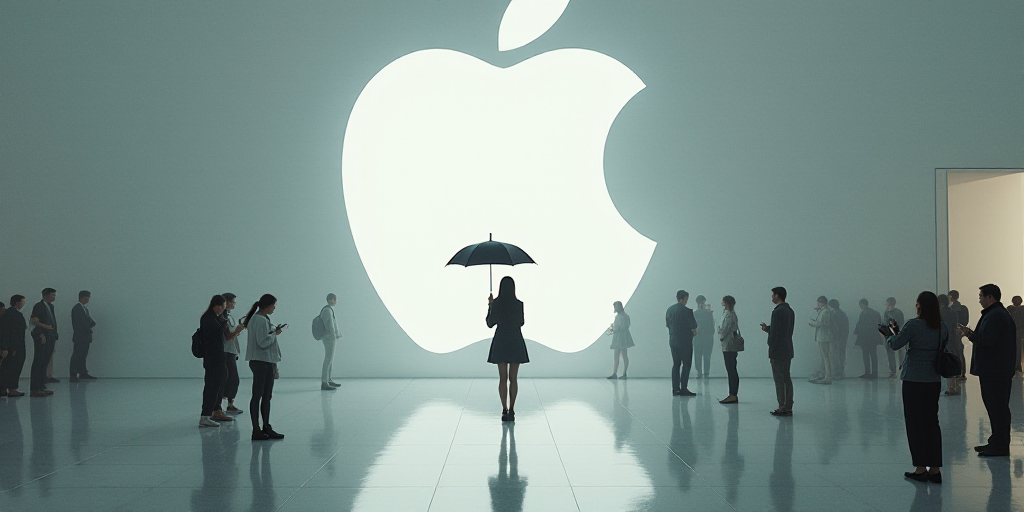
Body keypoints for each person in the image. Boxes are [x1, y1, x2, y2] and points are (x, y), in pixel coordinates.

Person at [883, 291, 946, 483]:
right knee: (931, 423)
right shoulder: (942, 327)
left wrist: (889, 334)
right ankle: (935, 469)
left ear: (920, 306)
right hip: (933, 380)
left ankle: (920, 468)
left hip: (914, 380)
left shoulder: (913, 325)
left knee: (915, 423)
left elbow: (895, 344)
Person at [958, 284, 1016, 457]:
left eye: (981, 296)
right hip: (995, 369)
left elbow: (988, 341)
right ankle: (996, 442)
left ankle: (1000, 446)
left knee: (997, 407)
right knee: (995, 407)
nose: (979, 299)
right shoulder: (995, 314)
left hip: (995, 370)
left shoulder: (996, 315)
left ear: (991, 297)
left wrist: (969, 333)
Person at [487, 276, 529, 422]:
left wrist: (491, 305)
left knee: (503, 378)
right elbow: (521, 322)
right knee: (513, 378)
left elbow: (490, 323)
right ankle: (512, 410)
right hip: (515, 340)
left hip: (501, 341)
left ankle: (504, 410)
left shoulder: (497, 304)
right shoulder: (519, 304)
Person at [244, 294, 285, 440]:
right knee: (259, 395)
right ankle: (257, 429)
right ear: (267, 305)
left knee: (266, 396)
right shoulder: (260, 320)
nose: (274, 308)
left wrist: (274, 366)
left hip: (265, 361)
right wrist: (275, 334)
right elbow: (263, 342)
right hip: (260, 361)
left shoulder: (260, 318)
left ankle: (265, 427)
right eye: (273, 305)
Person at [760, 287, 795, 416]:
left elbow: (775, 334)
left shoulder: (777, 312)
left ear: (777, 296)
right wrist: (768, 329)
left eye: (772, 295)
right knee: (786, 378)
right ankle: (788, 405)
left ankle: (782, 406)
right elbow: (783, 330)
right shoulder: (789, 311)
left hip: (778, 350)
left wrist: (771, 345)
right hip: (787, 348)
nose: (771, 297)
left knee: (779, 379)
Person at [198, 295, 228, 428]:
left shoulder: (213, 318)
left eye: (223, 307)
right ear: (215, 305)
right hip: (213, 358)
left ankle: (208, 414)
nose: (222, 309)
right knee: (212, 387)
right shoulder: (208, 318)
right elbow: (215, 334)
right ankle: (205, 415)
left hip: (216, 358)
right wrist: (223, 324)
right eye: (221, 306)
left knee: (216, 386)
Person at [666, 290, 699, 397]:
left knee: (676, 364)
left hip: (673, 340)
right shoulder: (687, 311)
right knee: (686, 364)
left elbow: (668, 325)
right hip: (685, 341)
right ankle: (683, 388)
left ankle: (675, 389)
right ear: (684, 298)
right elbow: (694, 325)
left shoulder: (669, 310)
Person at [219, 293, 245, 415]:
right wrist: (237, 331)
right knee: (230, 379)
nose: (234, 305)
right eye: (233, 302)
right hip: (226, 351)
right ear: (227, 302)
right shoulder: (222, 317)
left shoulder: (228, 317)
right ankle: (224, 406)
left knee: (231, 379)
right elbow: (229, 337)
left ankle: (228, 405)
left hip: (230, 351)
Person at [29, 288, 58, 397]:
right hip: (42, 337)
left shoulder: (50, 306)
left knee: (45, 362)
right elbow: (34, 322)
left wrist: (55, 334)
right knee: (39, 361)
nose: (54, 297)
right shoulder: (39, 306)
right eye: (52, 295)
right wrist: (41, 334)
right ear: (45, 295)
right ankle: (35, 388)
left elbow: (52, 321)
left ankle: (41, 386)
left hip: (50, 336)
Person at [0, 295, 28, 397]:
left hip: (16, 345)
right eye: (22, 302)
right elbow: (7, 332)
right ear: (17, 303)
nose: (24, 304)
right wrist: (7, 347)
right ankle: (11, 388)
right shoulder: (11, 314)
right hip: (14, 346)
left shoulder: (14, 313)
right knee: (13, 368)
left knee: (9, 367)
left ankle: (4, 388)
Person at [717, 295, 742, 404]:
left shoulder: (730, 315)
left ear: (726, 302)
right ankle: (732, 393)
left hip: (729, 345)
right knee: (731, 369)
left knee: (731, 369)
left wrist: (721, 336)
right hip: (728, 344)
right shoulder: (727, 313)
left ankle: (733, 394)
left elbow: (725, 329)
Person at [69, 290, 97, 381]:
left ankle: (82, 372)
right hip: (80, 336)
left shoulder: (84, 309)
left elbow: (90, 321)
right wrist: (89, 325)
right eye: (88, 297)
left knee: (83, 355)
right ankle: (73, 374)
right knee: (77, 355)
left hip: (85, 336)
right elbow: (80, 323)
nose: (88, 300)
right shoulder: (77, 309)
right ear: (83, 297)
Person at [938, 294, 961, 395]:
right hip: (953, 338)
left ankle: (950, 388)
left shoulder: (940, 313)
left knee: (946, 362)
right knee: (953, 360)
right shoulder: (953, 312)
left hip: (944, 340)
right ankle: (956, 386)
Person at [853, 299, 883, 378]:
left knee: (865, 355)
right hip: (873, 338)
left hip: (865, 338)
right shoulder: (876, 313)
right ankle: (874, 373)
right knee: (873, 355)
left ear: (862, 304)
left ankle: (867, 372)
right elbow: (879, 325)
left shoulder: (863, 313)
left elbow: (861, 326)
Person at [807, 296, 833, 385]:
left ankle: (828, 376)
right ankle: (825, 374)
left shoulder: (825, 311)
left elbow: (820, 323)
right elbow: (814, 318)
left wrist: (813, 325)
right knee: (824, 357)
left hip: (824, 337)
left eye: (819, 302)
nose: (817, 304)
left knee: (826, 357)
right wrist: (816, 311)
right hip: (822, 336)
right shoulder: (823, 311)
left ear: (822, 303)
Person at [318, 293, 342, 390]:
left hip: (329, 337)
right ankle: (325, 382)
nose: (336, 301)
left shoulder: (327, 309)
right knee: (328, 359)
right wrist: (334, 334)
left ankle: (328, 380)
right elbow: (330, 325)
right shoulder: (327, 310)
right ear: (331, 300)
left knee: (330, 359)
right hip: (329, 338)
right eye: (335, 299)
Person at [606, 301, 633, 380]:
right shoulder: (620, 316)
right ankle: (615, 373)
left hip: (622, 338)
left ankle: (624, 373)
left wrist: (613, 328)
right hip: (619, 338)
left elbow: (623, 327)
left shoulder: (624, 316)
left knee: (624, 356)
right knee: (617, 357)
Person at [693, 296, 715, 379]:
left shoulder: (707, 313)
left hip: (703, 338)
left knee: (706, 356)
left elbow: (712, 326)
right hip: (700, 338)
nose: (702, 304)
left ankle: (705, 373)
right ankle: (700, 372)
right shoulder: (697, 314)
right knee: (699, 356)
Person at [883, 298, 906, 379]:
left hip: (897, 335)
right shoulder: (886, 312)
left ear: (890, 303)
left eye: (886, 303)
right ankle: (893, 371)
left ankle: (902, 369)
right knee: (890, 354)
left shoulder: (898, 312)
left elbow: (900, 323)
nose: (885, 304)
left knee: (901, 353)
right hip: (889, 336)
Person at [949, 290, 969, 381]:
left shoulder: (953, 309)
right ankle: (962, 372)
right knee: (960, 352)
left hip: (955, 332)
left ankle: (959, 372)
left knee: (956, 352)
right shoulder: (963, 308)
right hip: (960, 332)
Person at [829, 299, 850, 379]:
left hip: (836, 338)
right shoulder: (843, 314)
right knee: (841, 355)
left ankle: (836, 373)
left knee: (835, 355)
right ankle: (841, 372)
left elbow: (834, 327)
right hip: (843, 338)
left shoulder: (835, 314)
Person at [1007, 296, 1024, 375]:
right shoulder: (1010, 309)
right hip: (1016, 331)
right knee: (1017, 349)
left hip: (1017, 331)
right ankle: (1016, 367)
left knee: (1017, 349)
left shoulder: (1010, 309)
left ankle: (1016, 366)